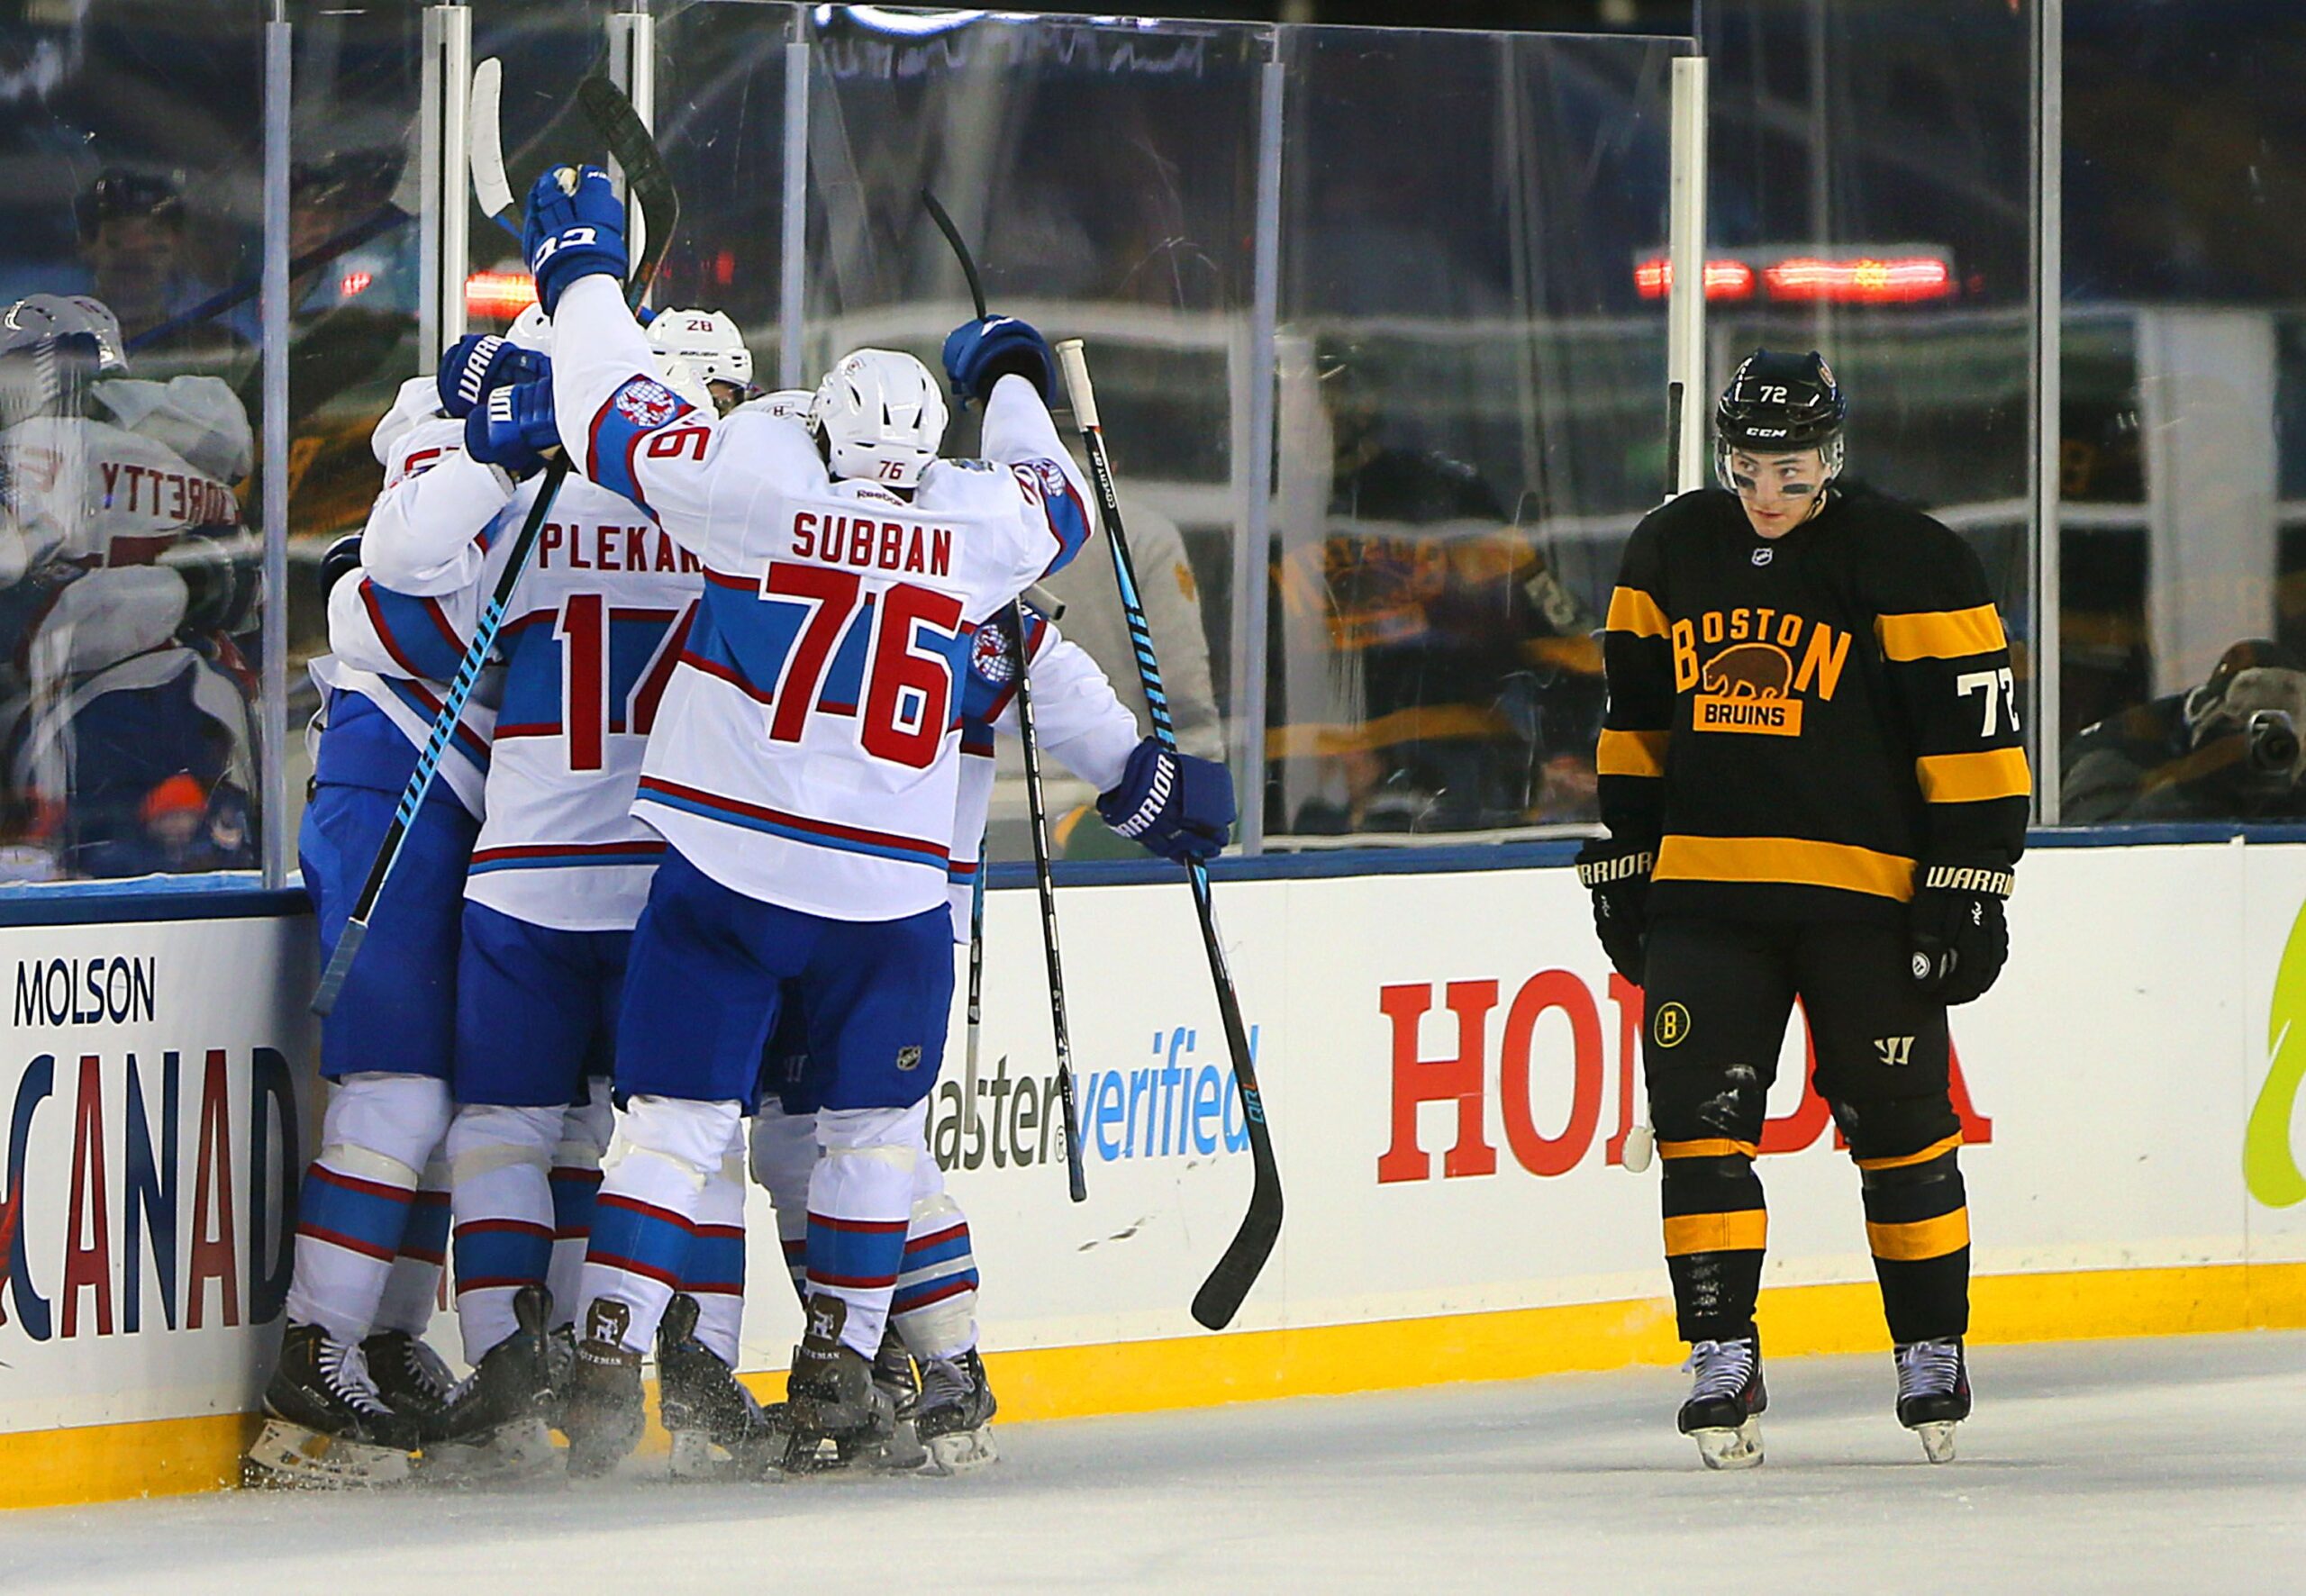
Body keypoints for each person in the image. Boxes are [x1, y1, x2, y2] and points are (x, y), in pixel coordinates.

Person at [514, 161, 1211, 1475]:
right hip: (893, 901)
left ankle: (609, 1353)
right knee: (870, 1137)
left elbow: (609, 411)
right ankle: (847, 1362)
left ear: (826, 431)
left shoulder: (751, 482)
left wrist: (582, 272)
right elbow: (1052, 494)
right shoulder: (973, 532)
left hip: (727, 872)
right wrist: (1008, 372)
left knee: (675, 1124)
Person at [1576, 349, 2029, 1469]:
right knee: (1697, 1125)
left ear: (1832, 452)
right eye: (1745, 464)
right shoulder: (1671, 546)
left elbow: (1972, 737)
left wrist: (1968, 879)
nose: (1764, 489)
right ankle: (1720, 1349)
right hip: (1707, 896)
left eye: (1786, 466)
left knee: (1902, 1127)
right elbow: (1637, 718)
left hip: (1865, 906)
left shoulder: (1915, 557)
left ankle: (1930, 1345)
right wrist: (1630, 853)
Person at [246, 374, 507, 1485]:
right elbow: (385, 597)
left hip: (460, 798)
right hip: (392, 787)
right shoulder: (442, 466)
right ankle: (316, 1363)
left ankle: (390, 1341)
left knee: (445, 1098)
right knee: (397, 1091)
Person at [2059, 639, 2306, 821]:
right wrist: (2196, 779)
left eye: (2283, 734)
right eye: (2245, 728)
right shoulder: (2121, 750)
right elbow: (2092, 851)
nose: (2265, 749)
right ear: (2200, 712)